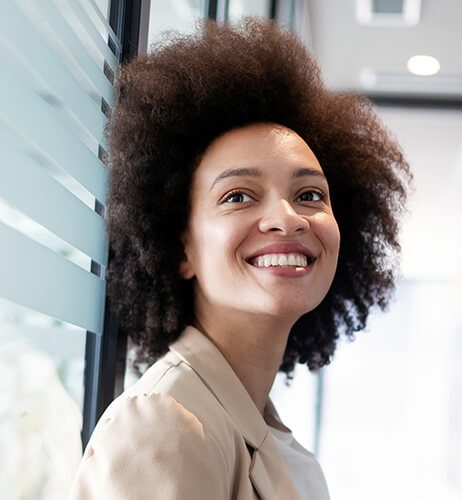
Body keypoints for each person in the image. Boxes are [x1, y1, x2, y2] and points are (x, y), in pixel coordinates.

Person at [69, 17, 411, 500]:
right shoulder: (164, 423)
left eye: (310, 194)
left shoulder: (262, 432)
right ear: (180, 247)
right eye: (237, 196)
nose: (288, 218)